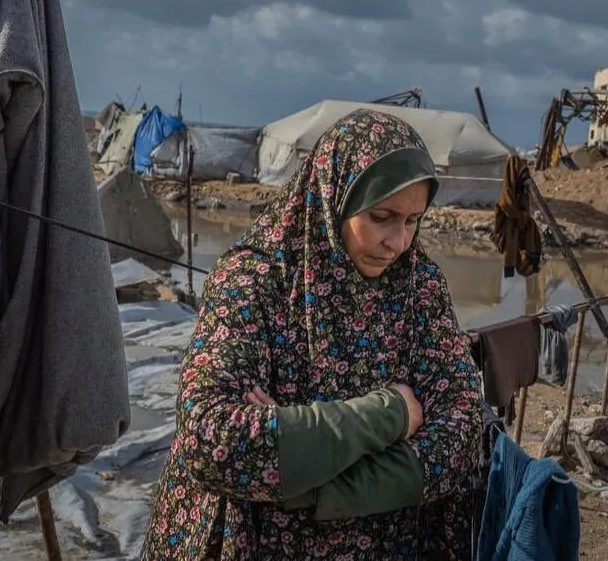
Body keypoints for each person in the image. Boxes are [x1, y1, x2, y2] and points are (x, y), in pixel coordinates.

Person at [140, 108, 483, 559]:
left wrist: (304, 478)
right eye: (381, 216)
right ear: (331, 196)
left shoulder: (419, 287)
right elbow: (210, 438)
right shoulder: (254, 282)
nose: (398, 242)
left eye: (413, 220)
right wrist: (391, 414)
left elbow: (461, 431)